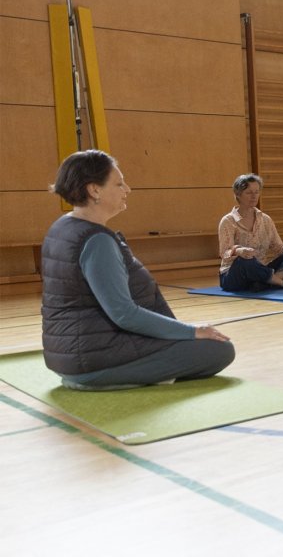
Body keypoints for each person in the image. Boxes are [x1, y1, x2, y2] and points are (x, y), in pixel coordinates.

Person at [41, 150, 235, 390]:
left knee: (191, 338)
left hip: (68, 354)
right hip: (91, 361)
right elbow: (124, 314)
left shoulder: (62, 226)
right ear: (94, 190)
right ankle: (121, 378)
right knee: (219, 350)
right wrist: (191, 331)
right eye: (119, 183)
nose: (127, 189)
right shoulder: (96, 241)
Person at [218, 174, 283, 292]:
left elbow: (278, 248)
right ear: (238, 194)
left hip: (261, 271)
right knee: (246, 260)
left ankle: (266, 283)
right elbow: (224, 252)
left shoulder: (265, 219)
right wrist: (239, 251)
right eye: (249, 192)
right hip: (234, 275)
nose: (254, 196)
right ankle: (281, 283)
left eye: (256, 192)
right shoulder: (228, 221)